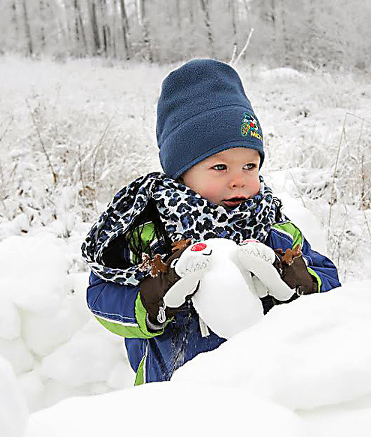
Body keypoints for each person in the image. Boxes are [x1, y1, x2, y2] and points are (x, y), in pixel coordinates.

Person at [81, 59, 340, 384]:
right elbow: (100, 295)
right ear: (181, 171)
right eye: (220, 168)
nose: (240, 181)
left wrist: (295, 282)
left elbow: (331, 285)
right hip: (170, 399)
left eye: (250, 166)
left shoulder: (271, 228)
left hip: (264, 392)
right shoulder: (150, 232)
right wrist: (153, 297)